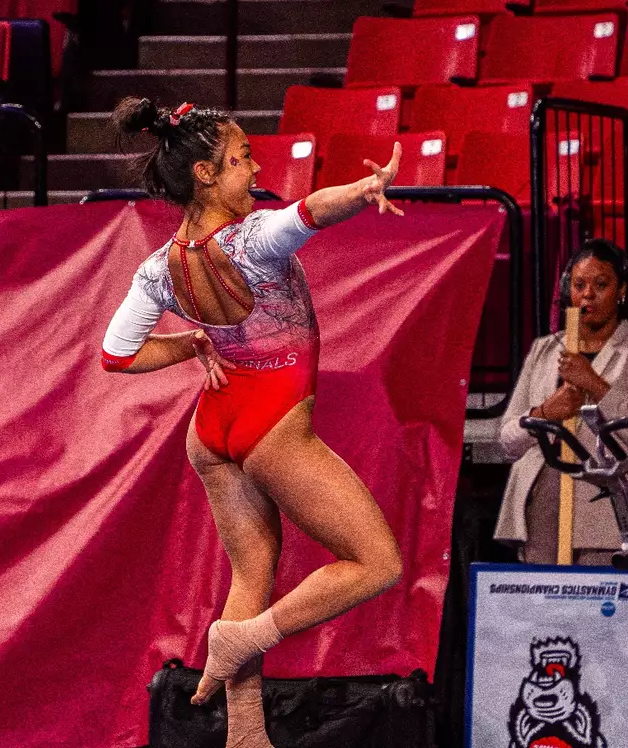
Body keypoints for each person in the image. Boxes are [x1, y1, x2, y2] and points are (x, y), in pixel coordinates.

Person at [100, 98, 406, 748]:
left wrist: (188, 344)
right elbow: (313, 211)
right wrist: (364, 189)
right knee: (376, 561)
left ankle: (246, 734)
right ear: (205, 175)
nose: (255, 166)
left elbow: (116, 355)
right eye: (241, 159)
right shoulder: (251, 241)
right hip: (272, 420)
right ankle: (244, 636)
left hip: (212, 430)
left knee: (251, 571)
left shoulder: (160, 266)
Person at [494, 240, 628, 563]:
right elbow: (507, 440)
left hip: (614, 510)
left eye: (601, 284)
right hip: (544, 506)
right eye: (579, 285)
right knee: (544, 609)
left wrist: (593, 383)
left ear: (621, 290)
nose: (588, 294)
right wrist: (544, 412)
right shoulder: (545, 349)